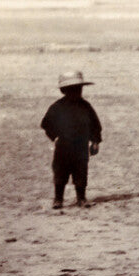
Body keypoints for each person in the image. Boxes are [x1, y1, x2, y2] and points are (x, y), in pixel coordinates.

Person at [41, 71, 102, 209]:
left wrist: (95, 141)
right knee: (60, 173)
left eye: (79, 89)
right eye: (72, 89)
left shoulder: (86, 106)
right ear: (64, 91)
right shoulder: (57, 107)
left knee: (81, 172)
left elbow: (95, 125)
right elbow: (46, 123)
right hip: (63, 147)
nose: (76, 92)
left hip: (81, 148)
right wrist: (54, 137)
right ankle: (58, 199)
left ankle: (81, 198)